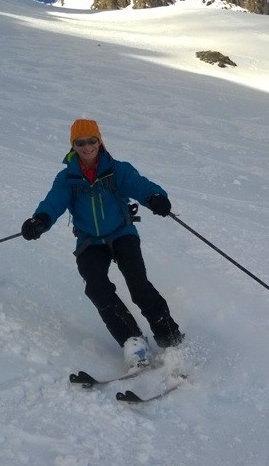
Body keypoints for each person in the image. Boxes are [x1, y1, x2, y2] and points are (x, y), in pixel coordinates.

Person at [21, 119, 183, 369]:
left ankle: (170, 338)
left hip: (121, 233)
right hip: (89, 241)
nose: (87, 147)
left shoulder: (116, 170)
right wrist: (40, 220)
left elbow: (140, 186)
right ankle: (134, 342)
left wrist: (156, 198)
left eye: (91, 141)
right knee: (96, 286)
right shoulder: (68, 178)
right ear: (73, 146)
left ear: (100, 141)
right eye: (80, 142)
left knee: (138, 285)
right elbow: (54, 201)